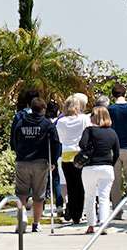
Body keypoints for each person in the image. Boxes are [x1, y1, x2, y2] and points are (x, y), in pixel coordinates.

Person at [10, 96, 54, 232]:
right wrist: (53, 159)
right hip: (40, 162)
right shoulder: (47, 124)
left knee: (21, 194)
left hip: (22, 161)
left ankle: (21, 222)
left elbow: (14, 139)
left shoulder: (21, 122)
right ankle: (36, 223)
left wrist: (18, 151)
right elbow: (55, 142)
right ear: (43, 109)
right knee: (38, 195)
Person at [78, 105, 121, 234]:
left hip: (90, 167)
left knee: (90, 197)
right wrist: (110, 163)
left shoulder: (89, 131)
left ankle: (91, 225)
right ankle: (103, 224)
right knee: (104, 197)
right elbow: (117, 152)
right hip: (106, 167)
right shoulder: (112, 132)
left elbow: (82, 145)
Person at [54, 92, 91, 224]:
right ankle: (77, 213)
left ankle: (71, 206)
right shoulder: (84, 119)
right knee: (80, 186)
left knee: (70, 185)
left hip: (66, 155)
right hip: (80, 154)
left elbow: (59, 138)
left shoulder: (61, 121)